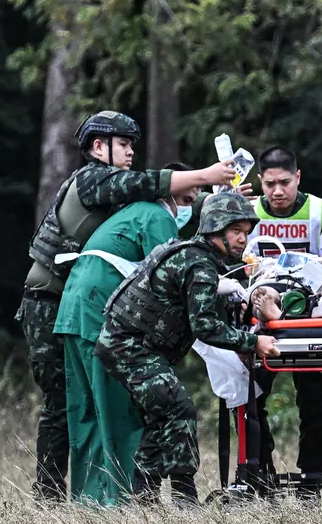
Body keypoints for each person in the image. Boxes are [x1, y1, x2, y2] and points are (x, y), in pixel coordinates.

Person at [18, 110, 236, 502]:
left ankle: (78, 497)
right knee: (64, 404)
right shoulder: (92, 178)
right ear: (98, 147)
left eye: (133, 144)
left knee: (77, 404)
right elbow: (153, 186)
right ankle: (49, 496)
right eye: (125, 143)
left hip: (72, 299)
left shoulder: (124, 194)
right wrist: (208, 174)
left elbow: (168, 200)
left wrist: (228, 204)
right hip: (49, 299)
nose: (132, 151)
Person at [95, 192, 280, 506]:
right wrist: (254, 342)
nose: (242, 239)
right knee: (179, 409)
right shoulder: (199, 263)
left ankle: (143, 499)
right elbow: (205, 326)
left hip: (127, 345)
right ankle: (184, 498)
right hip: (131, 347)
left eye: (246, 232)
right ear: (215, 228)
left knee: (160, 417)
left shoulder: (193, 255)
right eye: (236, 230)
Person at [53, 162, 202, 506]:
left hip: (73, 312)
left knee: (85, 411)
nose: (187, 207)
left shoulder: (132, 211)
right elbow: (172, 277)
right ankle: (121, 499)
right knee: (120, 408)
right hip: (98, 317)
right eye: (187, 197)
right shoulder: (157, 216)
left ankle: (88, 500)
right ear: (170, 193)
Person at [246, 145, 322, 495]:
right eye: (270, 183)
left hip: (313, 318)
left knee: (316, 398)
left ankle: (312, 479)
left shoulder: (321, 212)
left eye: (284, 183)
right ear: (260, 181)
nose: (277, 191)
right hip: (261, 323)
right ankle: (261, 473)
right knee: (251, 397)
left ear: (298, 177)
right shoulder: (248, 214)